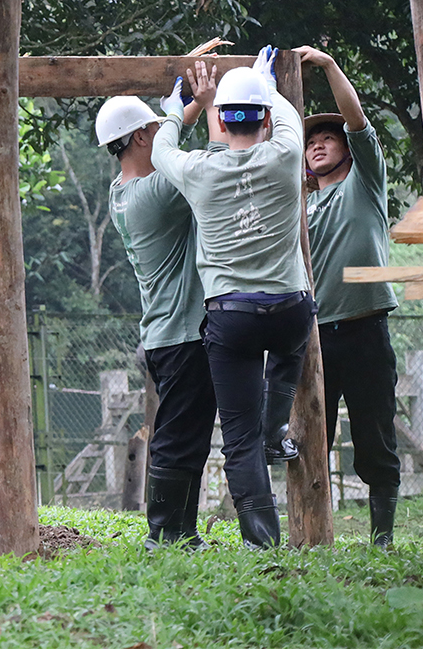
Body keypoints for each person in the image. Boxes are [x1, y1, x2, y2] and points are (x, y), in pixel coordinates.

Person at [151, 47, 311, 549]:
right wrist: (267, 81)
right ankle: (276, 424)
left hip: (232, 315)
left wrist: (181, 105)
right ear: (263, 118)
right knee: (291, 345)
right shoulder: (286, 157)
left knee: (237, 440)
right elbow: (289, 117)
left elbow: (159, 151)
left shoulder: (199, 171)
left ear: (221, 119)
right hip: (289, 308)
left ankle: (262, 542)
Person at [291, 45, 403, 547]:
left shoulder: (364, 183)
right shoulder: (300, 207)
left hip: (365, 325)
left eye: (327, 137)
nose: (318, 144)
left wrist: (331, 67)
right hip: (311, 336)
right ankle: (312, 535)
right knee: (311, 439)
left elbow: (359, 124)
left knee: (374, 439)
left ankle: (382, 540)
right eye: (310, 140)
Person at [98, 95, 211, 550]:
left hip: (164, 334)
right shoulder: (159, 193)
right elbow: (204, 166)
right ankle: (163, 533)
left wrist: (188, 109)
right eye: (154, 127)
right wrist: (194, 109)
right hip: (183, 334)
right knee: (178, 438)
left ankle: (182, 532)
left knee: (188, 434)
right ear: (142, 136)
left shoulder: (120, 193)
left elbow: (165, 145)